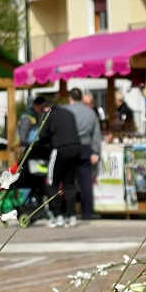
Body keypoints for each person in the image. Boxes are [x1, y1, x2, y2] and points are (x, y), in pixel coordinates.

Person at [34, 96, 81, 228]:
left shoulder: (49, 115)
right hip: (76, 148)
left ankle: (57, 215)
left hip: (60, 149)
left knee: (52, 182)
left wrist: (44, 144)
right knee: (69, 183)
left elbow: (43, 135)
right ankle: (71, 216)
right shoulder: (69, 113)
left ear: (45, 108)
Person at [63, 89, 101, 220]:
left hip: (68, 146)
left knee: (68, 181)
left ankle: (69, 211)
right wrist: (95, 150)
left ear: (70, 98)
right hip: (85, 147)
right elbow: (96, 133)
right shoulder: (90, 112)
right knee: (85, 183)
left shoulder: (65, 111)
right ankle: (87, 212)